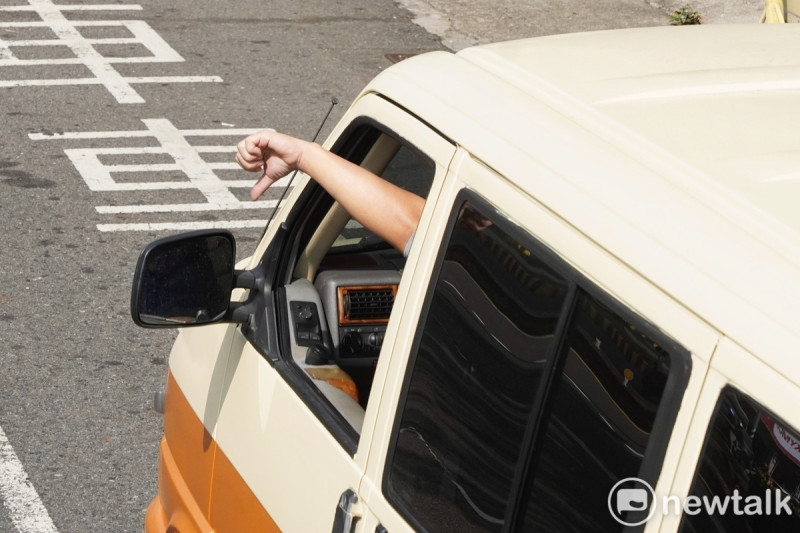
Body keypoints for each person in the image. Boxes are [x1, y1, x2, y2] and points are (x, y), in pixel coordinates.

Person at [235, 130, 424, 254]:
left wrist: (303, 155)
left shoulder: (436, 247)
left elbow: (417, 231)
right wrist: (302, 155)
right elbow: (419, 230)